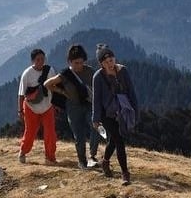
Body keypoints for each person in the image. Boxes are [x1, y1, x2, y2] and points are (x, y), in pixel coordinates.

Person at [45, 44, 102, 170]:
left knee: (96, 126)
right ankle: (82, 161)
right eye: (76, 63)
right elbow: (47, 84)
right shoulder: (65, 74)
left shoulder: (90, 71)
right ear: (69, 62)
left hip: (88, 104)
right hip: (73, 107)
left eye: (81, 62)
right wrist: (63, 92)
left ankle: (92, 155)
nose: (79, 65)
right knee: (79, 136)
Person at [92, 45, 138, 184]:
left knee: (114, 139)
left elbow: (131, 92)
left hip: (123, 111)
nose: (109, 64)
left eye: (111, 60)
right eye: (106, 62)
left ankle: (105, 161)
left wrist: (135, 111)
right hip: (107, 114)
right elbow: (96, 99)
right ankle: (125, 173)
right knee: (119, 140)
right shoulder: (98, 77)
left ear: (114, 59)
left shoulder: (123, 71)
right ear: (101, 64)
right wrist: (96, 119)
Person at [17, 49, 57, 164]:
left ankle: (50, 157)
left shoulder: (49, 71)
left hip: (47, 106)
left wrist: (57, 104)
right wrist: (20, 110)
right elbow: (21, 94)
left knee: (50, 133)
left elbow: (55, 87)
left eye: (42, 59)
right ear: (32, 61)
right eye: (38, 59)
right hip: (31, 108)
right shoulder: (27, 74)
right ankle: (23, 152)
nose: (41, 62)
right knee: (30, 132)